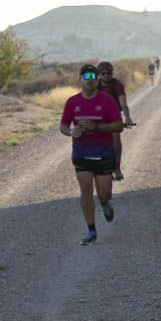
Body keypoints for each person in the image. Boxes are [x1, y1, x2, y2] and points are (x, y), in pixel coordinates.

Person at [60, 64, 125, 244]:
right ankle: (91, 230)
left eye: (93, 77)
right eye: (86, 76)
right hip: (81, 152)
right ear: (80, 79)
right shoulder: (72, 102)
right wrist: (71, 132)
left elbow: (118, 126)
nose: (90, 79)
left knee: (104, 194)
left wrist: (96, 126)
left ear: (97, 80)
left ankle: (104, 204)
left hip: (104, 153)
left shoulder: (106, 101)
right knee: (86, 189)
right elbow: (63, 126)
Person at [96, 61, 133, 181]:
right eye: (103, 73)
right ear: (99, 74)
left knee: (116, 138)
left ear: (112, 73)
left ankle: (117, 167)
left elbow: (123, 101)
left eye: (109, 73)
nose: (106, 75)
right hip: (98, 116)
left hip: (114, 114)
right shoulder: (95, 85)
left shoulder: (116, 84)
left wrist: (127, 117)